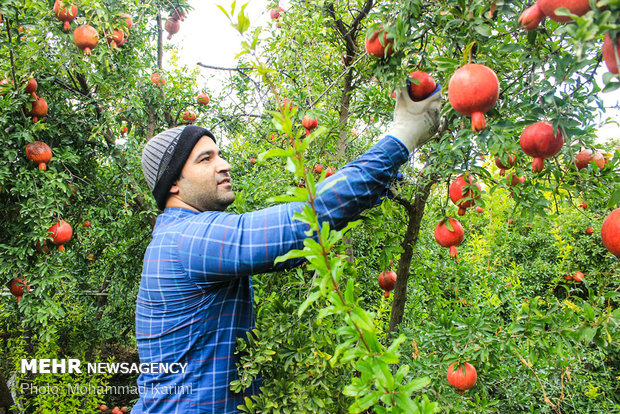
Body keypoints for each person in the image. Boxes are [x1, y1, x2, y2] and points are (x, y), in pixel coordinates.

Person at [132, 84, 442, 413]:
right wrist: (402, 136)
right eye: (205, 159)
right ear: (174, 184)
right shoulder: (187, 240)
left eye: (219, 154)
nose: (223, 165)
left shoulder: (182, 236)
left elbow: (294, 245)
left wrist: (378, 182)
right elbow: (306, 217)